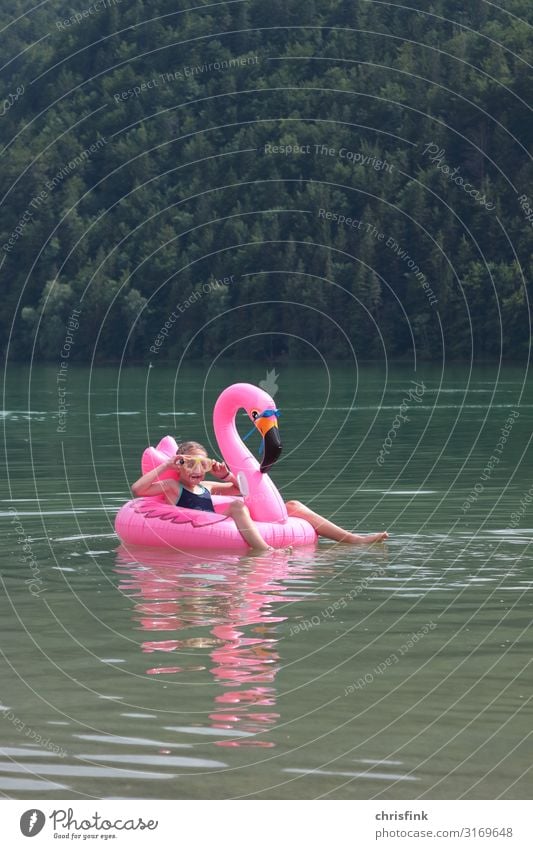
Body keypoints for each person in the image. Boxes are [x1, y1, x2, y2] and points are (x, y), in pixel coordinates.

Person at [131, 440, 388, 552]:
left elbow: (243, 491)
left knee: (293, 505)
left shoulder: (207, 486)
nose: (197, 471)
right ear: (180, 466)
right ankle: (264, 551)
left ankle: (352, 539)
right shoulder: (174, 488)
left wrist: (226, 475)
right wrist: (167, 466)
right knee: (235, 505)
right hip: (204, 529)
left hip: (226, 526)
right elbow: (138, 490)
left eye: (203, 464)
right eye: (190, 464)